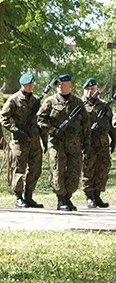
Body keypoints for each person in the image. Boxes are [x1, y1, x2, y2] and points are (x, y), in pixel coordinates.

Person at [38, 74, 90, 211]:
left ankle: (68, 197)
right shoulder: (50, 102)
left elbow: (86, 123)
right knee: (58, 170)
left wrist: (86, 141)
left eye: (63, 84)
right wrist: (52, 131)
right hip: (57, 144)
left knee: (74, 171)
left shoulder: (78, 103)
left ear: (70, 85)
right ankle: (61, 200)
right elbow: (40, 120)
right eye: (58, 85)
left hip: (74, 143)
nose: (60, 87)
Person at [0, 73, 44, 208]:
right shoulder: (13, 100)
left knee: (36, 168)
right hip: (20, 140)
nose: (30, 86)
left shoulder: (36, 100)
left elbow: (39, 120)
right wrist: (16, 130)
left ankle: (29, 195)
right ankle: (19, 197)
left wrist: (44, 138)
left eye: (31, 84)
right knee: (19, 168)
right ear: (22, 85)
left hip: (34, 139)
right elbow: (3, 118)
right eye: (27, 84)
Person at [81, 78, 115, 208]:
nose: (90, 92)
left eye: (93, 89)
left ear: (97, 90)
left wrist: (114, 139)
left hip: (103, 144)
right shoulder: (80, 106)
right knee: (88, 169)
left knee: (103, 168)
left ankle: (97, 195)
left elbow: (110, 124)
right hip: (88, 144)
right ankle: (89, 196)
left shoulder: (104, 106)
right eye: (88, 90)